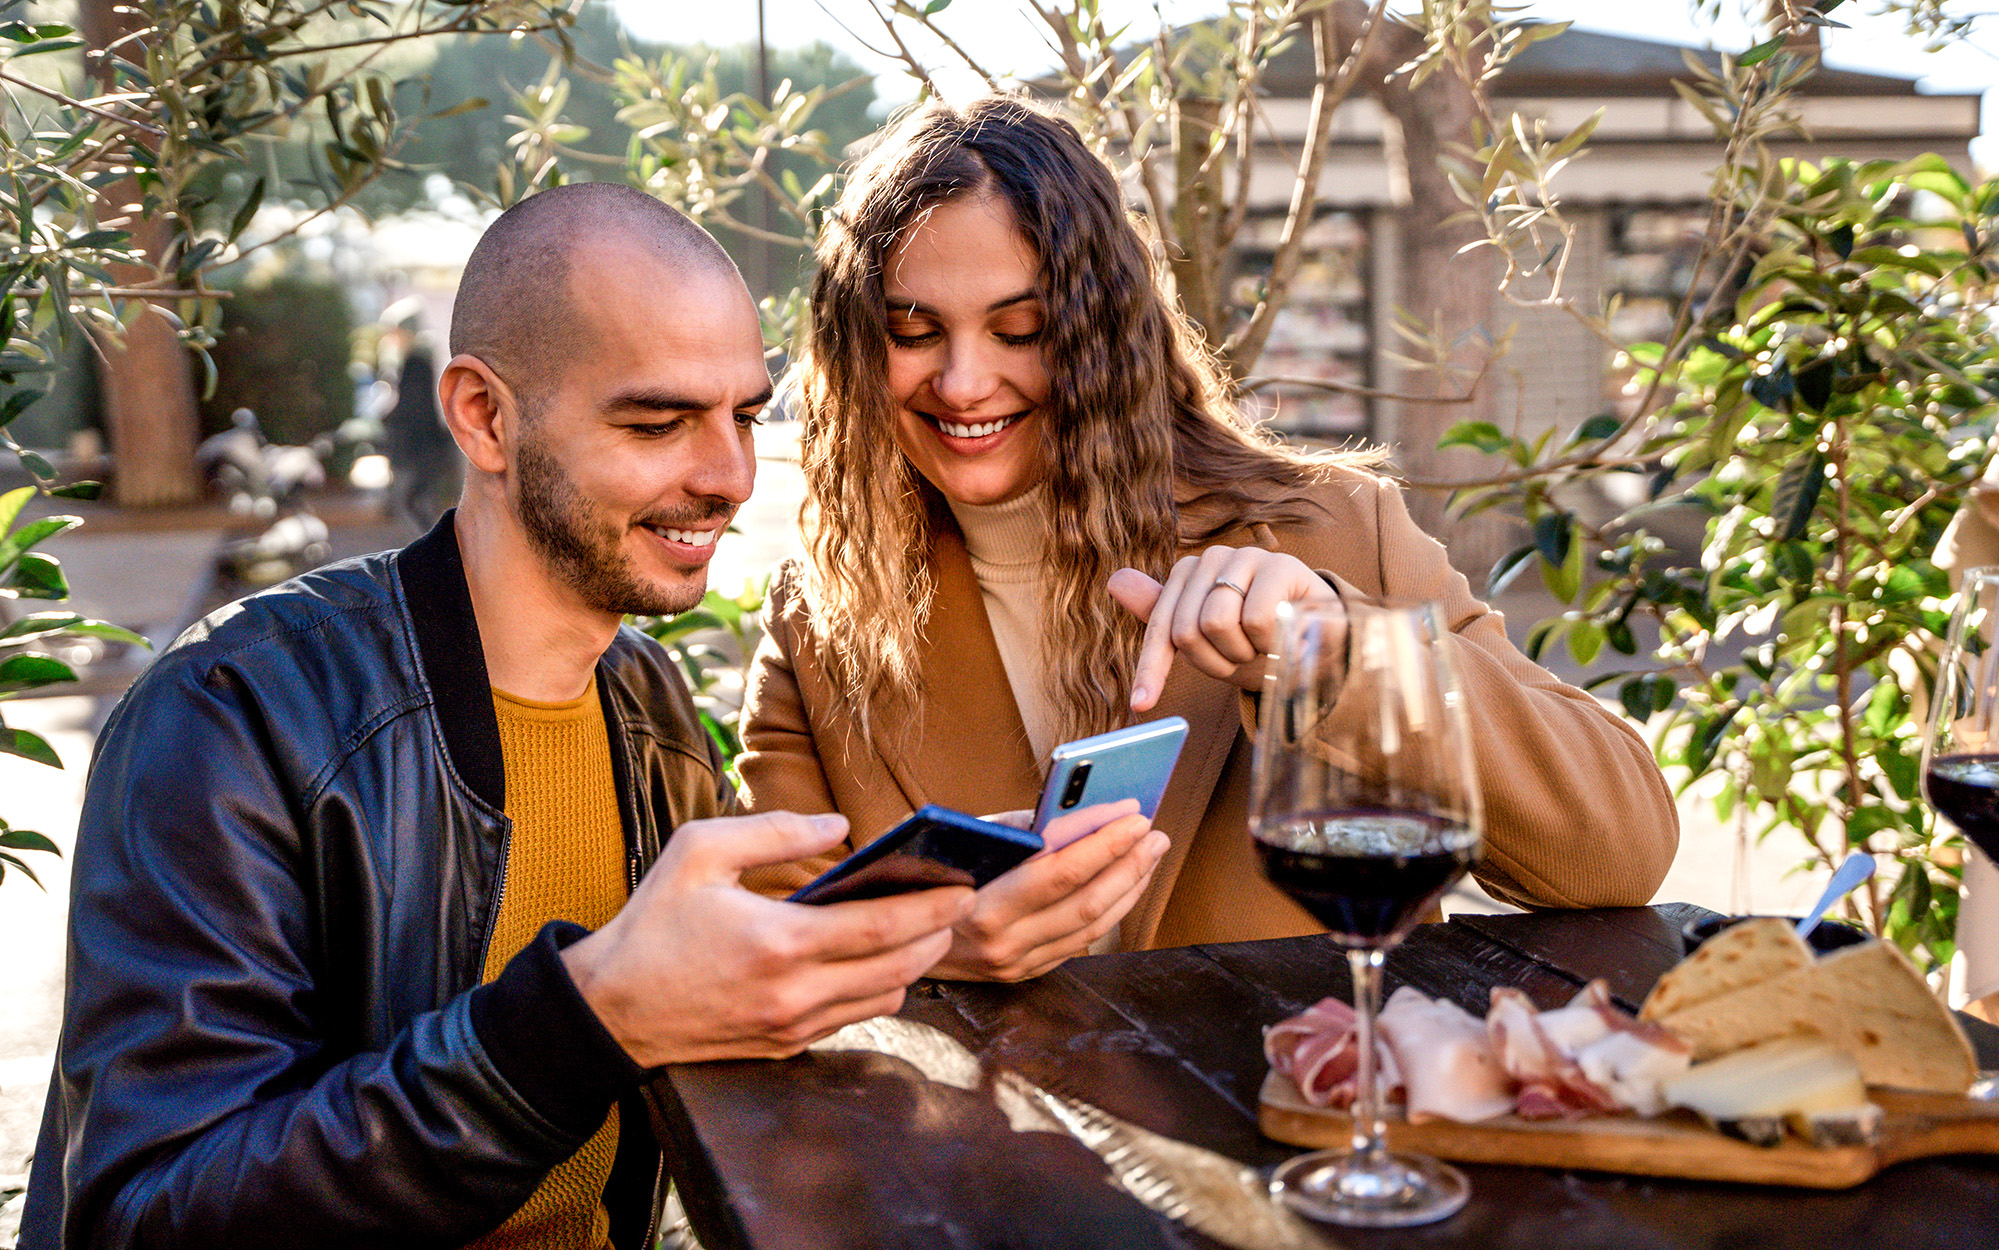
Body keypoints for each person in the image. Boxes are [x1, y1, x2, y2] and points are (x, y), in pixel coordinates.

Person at [22, 184, 977, 1249]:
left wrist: (940, 938)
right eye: (657, 420)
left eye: (745, 414)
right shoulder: (236, 712)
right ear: (483, 414)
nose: (729, 476)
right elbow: (148, 1215)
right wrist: (577, 1021)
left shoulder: (650, 707)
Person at [735, 96, 1680, 965]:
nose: (963, 381)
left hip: (1294, 1135)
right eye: (912, 331)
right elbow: (774, 954)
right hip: (990, 1151)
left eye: (1020, 329)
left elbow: (1616, 856)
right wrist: (938, 948)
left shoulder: (1328, 533)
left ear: (1102, 332)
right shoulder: (819, 619)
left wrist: (1343, 656)